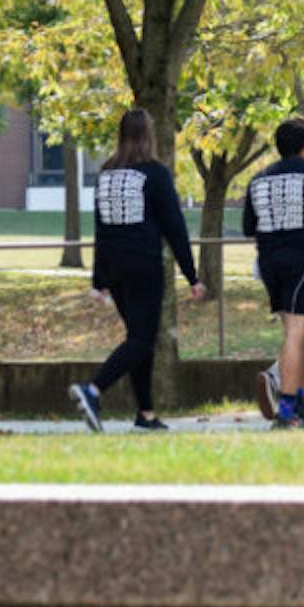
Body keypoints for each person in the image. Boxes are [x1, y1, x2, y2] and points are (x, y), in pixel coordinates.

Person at [70, 109, 205, 433]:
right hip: (144, 264)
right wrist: (192, 275)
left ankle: (145, 413)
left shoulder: (106, 174)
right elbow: (175, 227)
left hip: (115, 268)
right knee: (143, 340)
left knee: (138, 337)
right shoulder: (155, 173)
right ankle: (92, 390)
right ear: (149, 135)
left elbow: (101, 229)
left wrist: (99, 280)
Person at [243, 118, 304, 429]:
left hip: (270, 260)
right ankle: (286, 408)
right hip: (303, 259)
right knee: (298, 332)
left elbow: (248, 226)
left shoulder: (258, 179)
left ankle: (301, 400)